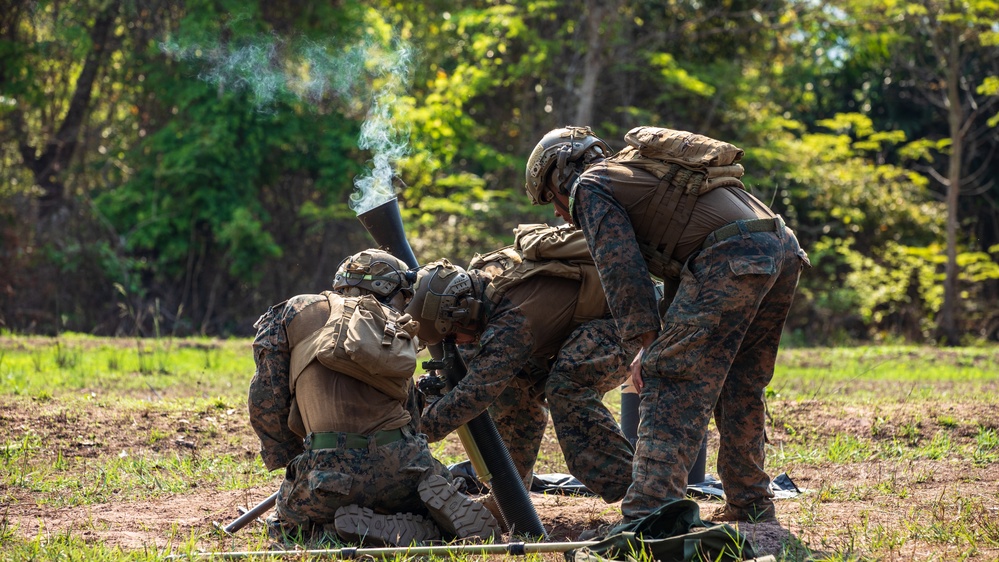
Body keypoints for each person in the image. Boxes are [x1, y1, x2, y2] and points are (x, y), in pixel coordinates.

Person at [524, 126, 809, 524]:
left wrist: (647, 347)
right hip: (782, 248)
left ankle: (648, 512)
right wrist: (659, 337)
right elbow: (683, 267)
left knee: (669, 380)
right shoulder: (638, 175)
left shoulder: (589, 186)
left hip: (732, 253)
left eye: (549, 198)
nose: (557, 211)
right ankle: (750, 503)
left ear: (560, 177)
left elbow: (621, 270)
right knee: (740, 384)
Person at [247, 248, 500, 546]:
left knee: (286, 530)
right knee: (429, 488)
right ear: (395, 292)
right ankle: (428, 526)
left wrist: (293, 459)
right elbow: (412, 420)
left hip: (331, 473)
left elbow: (265, 400)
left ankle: (336, 532)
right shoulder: (397, 325)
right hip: (406, 466)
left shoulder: (294, 310)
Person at [405, 223, 639, 514]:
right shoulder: (477, 290)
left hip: (630, 316)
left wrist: (410, 431)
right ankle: (511, 497)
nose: (452, 344)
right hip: (588, 323)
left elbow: (473, 395)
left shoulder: (511, 320)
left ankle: (640, 494)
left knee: (567, 387)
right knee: (514, 389)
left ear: (462, 314)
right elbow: (473, 373)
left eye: (450, 336)